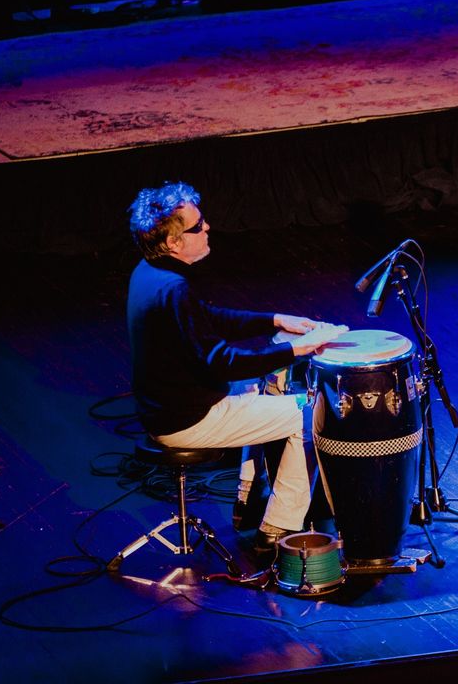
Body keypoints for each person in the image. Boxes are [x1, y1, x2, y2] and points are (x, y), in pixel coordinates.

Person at [126, 181, 346, 551]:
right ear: (174, 243)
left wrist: (275, 320)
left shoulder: (148, 272)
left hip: (169, 407)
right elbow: (224, 362)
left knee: (260, 387)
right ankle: (280, 527)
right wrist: (297, 349)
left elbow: (208, 319)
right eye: (197, 226)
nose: (207, 227)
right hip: (186, 420)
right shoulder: (173, 289)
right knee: (312, 414)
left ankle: (248, 497)